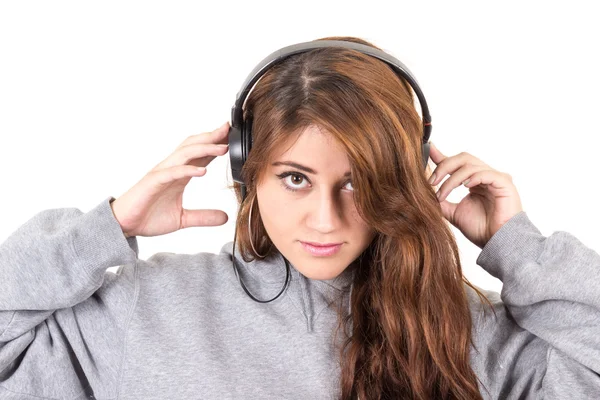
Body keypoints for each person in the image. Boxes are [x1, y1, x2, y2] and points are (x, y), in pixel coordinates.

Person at [1, 36, 599, 400]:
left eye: (357, 182)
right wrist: (108, 227)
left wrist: (519, 248)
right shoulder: (145, 311)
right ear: (247, 174)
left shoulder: (458, 334)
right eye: (295, 178)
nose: (324, 219)